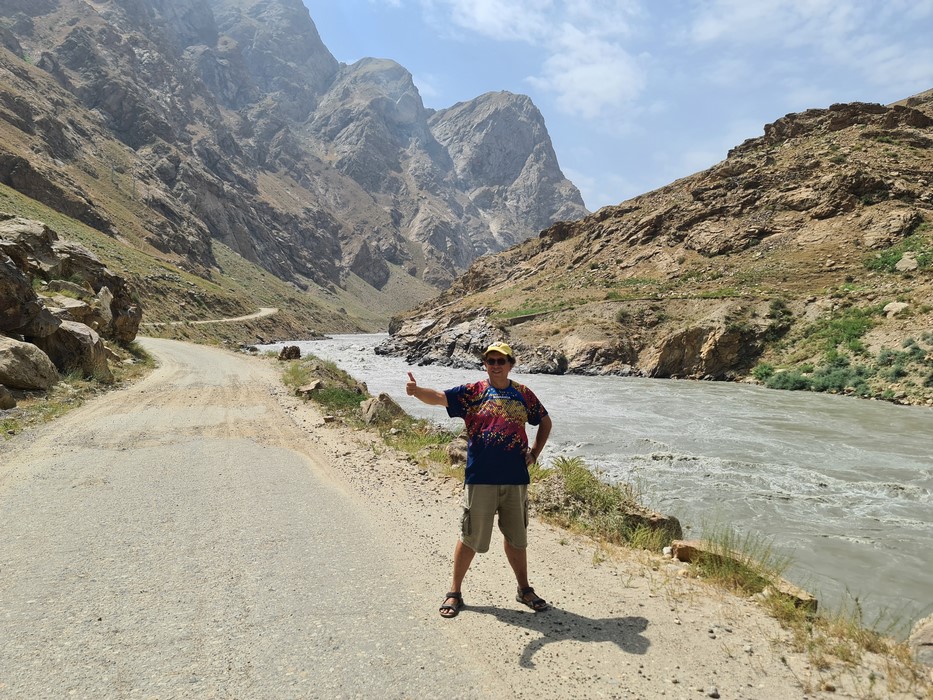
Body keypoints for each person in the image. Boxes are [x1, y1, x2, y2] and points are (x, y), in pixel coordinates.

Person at [405, 341, 553, 618]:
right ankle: (455, 591)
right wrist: (416, 392)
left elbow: (545, 422)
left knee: (517, 538)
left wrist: (534, 453)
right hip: (480, 478)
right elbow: (438, 397)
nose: (496, 365)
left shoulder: (524, 394)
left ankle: (524, 589)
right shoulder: (472, 392)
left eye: (501, 361)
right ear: (485, 364)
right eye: (491, 361)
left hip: (515, 479)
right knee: (470, 536)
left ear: (511, 363)